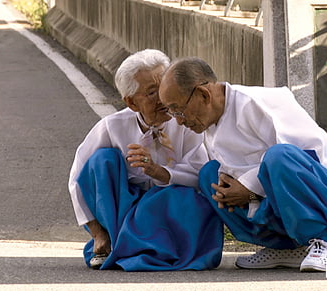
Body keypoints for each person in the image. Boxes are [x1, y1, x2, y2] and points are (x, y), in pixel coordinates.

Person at [158, 57, 327, 272]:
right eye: (173, 114)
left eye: (178, 110)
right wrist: (242, 191)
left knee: (279, 156)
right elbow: (254, 187)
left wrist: (248, 187)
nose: (179, 121)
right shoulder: (209, 123)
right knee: (210, 176)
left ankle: (325, 241)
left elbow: (302, 158)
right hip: (277, 193)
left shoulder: (255, 102)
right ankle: (285, 247)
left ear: (203, 94)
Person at [68, 50, 223, 271]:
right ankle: (109, 241)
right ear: (131, 102)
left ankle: (148, 249)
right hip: (123, 212)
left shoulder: (187, 120)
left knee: (183, 197)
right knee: (102, 161)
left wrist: (158, 171)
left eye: (163, 88)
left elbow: (199, 172)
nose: (163, 99)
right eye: (152, 93)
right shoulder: (112, 127)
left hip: (165, 209)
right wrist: (97, 232)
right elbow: (77, 179)